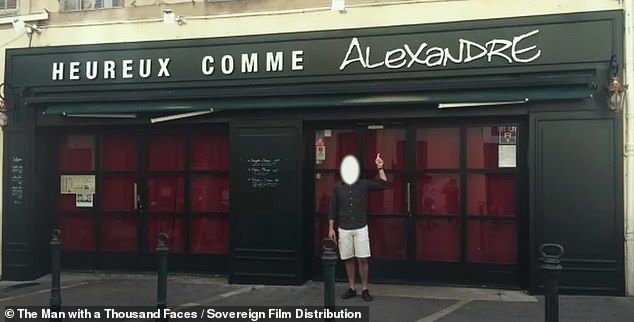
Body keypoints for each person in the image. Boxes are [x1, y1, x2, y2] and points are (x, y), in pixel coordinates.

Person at [328, 153, 388, 302]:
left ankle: (365, 288)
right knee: (348, 259)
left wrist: (380, 167)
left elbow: (384, 184)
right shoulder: (337, 187)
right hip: (344, 227)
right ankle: (352, 287)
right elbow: (332, 208)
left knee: (362, 259)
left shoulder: (363, 184)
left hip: (360, 227)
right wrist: (331, 228)